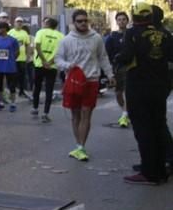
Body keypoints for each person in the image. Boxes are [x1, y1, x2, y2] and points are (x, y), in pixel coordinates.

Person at [118, 1, 173, 185]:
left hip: (138, 87)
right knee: (158, 126)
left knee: (143, 129)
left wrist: (118, 61)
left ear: (134, 15)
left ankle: (149, 172)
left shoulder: (132, 33)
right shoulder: (165, 34)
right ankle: (160, 168)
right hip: (160, 87)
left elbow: (126, 56)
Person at [54, 9, 114, 162]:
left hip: (91, 80)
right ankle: (78, 144)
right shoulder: (66, 40)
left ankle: (81, 147)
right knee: (76, 114)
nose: (83, 23)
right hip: (73, 82)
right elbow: (58, 60)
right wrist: (68, 65)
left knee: (87, 112)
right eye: (79, 21)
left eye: (85, 20)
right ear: (73, 23)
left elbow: (103, 57)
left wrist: (110, 74)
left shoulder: (96, 38)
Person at [32, 17, 64, 123]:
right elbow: (60, 52)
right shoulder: (60, 36)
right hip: (52, 66)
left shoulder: (40, 32)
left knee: (37, 87)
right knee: (49, 90)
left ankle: (35, 108)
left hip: (39, 65)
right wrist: (50, 62)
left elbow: (37, 46)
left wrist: (43, 61)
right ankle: (45, 113)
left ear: (48, 24)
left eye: (45, 22)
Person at [105, 11, 131, 127]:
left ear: (127, 21)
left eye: (124, 19)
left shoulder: (132, 35)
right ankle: (125, 112)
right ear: (116, 22)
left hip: (130, 68)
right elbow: (107, 54)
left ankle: (125, 115)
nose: (121, 21)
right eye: (119, 19)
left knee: (128, 92)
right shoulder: (112, 37)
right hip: (116, 68)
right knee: (118, 93)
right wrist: (109, 70)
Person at [0, 22, 20, 112]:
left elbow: (17, 52)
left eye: (0, 28)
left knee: (11, 86)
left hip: (10, 66)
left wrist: (11, 59)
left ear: (4, 29)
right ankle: (0, 103)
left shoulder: (13, 40)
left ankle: (13, 104)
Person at [10, 16, 31, 98]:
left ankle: (21, 91)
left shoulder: (24, 33)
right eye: (18, 22)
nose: (19, 23)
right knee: (13, 76)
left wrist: (28, 56)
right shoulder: (10, 32)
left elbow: (28, 45)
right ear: (14, 23)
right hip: (13, 58)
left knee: (22, 76)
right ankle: (13, 91)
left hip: (22, 58)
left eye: (21, 22)